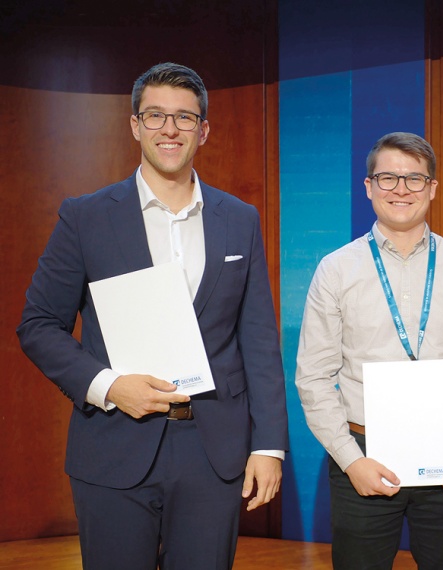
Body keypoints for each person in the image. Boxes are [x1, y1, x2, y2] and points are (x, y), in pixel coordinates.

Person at [16, 62, 288, 570]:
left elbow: (258, 340)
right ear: (135, 125)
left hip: (214, 453)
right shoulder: (85, 217)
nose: (170, 129)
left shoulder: (239, 218)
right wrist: (109, 385)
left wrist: (269, 445)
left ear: (203, 131)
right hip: (114, 444)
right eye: (156, 115)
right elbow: (37, 326)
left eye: (185, 118)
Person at [295, 132, 443, 570]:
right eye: (388, 178)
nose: (401, 190)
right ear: (369, 187)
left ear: (432, 189)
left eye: (414, 179)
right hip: (363, 454)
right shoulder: (336, 270)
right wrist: (351, 462)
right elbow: (314, 376)